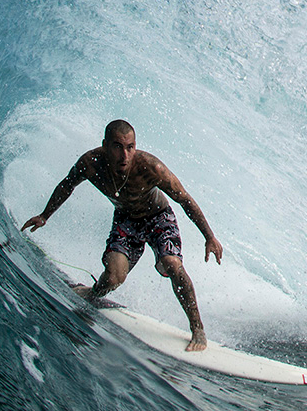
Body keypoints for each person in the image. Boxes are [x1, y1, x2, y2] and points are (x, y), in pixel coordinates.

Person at [21, 119, 223, 351]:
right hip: (126, 220)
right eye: (118, 147)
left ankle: (197, 328)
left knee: (172, 264)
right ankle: (94, 293)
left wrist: (209, 236)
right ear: (105, 145)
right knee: (115, 276)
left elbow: (184, 198)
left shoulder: (150, 167)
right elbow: (68, 185)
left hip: (158, 218)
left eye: (130, 147)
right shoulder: (91, 164)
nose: (125, 155)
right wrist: (45, 215)